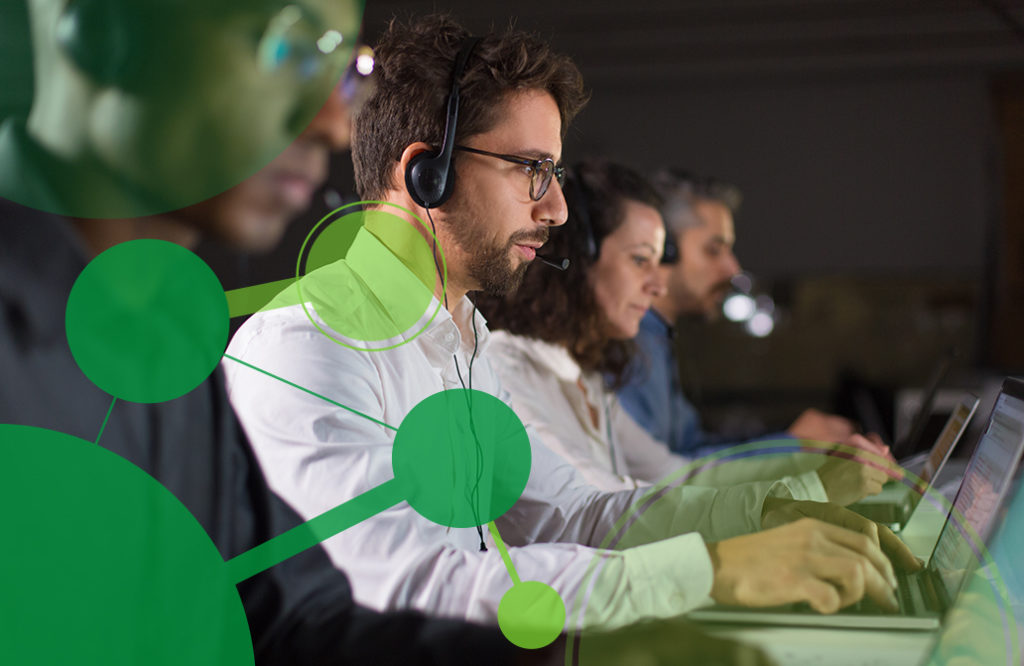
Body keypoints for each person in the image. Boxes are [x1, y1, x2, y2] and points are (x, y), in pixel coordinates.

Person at [224, 14, 918, 638]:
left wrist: (774, 515)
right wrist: (712, 573)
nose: (556, 209)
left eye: (553, 172)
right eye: (531, 170)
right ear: (424, 174)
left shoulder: (463, 339)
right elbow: (400, 588)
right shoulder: (307, 344)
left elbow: (577, 515)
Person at [0, 1, 561, 663]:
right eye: (286, 50)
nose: (330, 122)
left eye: (341, 72)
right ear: (100, 33)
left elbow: (286, 623)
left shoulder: (164, 345)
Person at [475, 159, 893, 506]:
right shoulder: (506, 371)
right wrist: (805, 486)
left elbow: (676, 476)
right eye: (641, 261)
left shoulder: (582, 376)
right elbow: (597, 509)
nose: (657, 284)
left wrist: (801, 472)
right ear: (579, 261)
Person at [616, 168, 882, 458]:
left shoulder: (656, 339)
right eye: (714, 250)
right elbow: (657, 474)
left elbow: (689, 445)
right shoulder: (627, 342)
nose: (733, 269)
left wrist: (794, 438)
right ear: (663, 248)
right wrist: (792, 444)